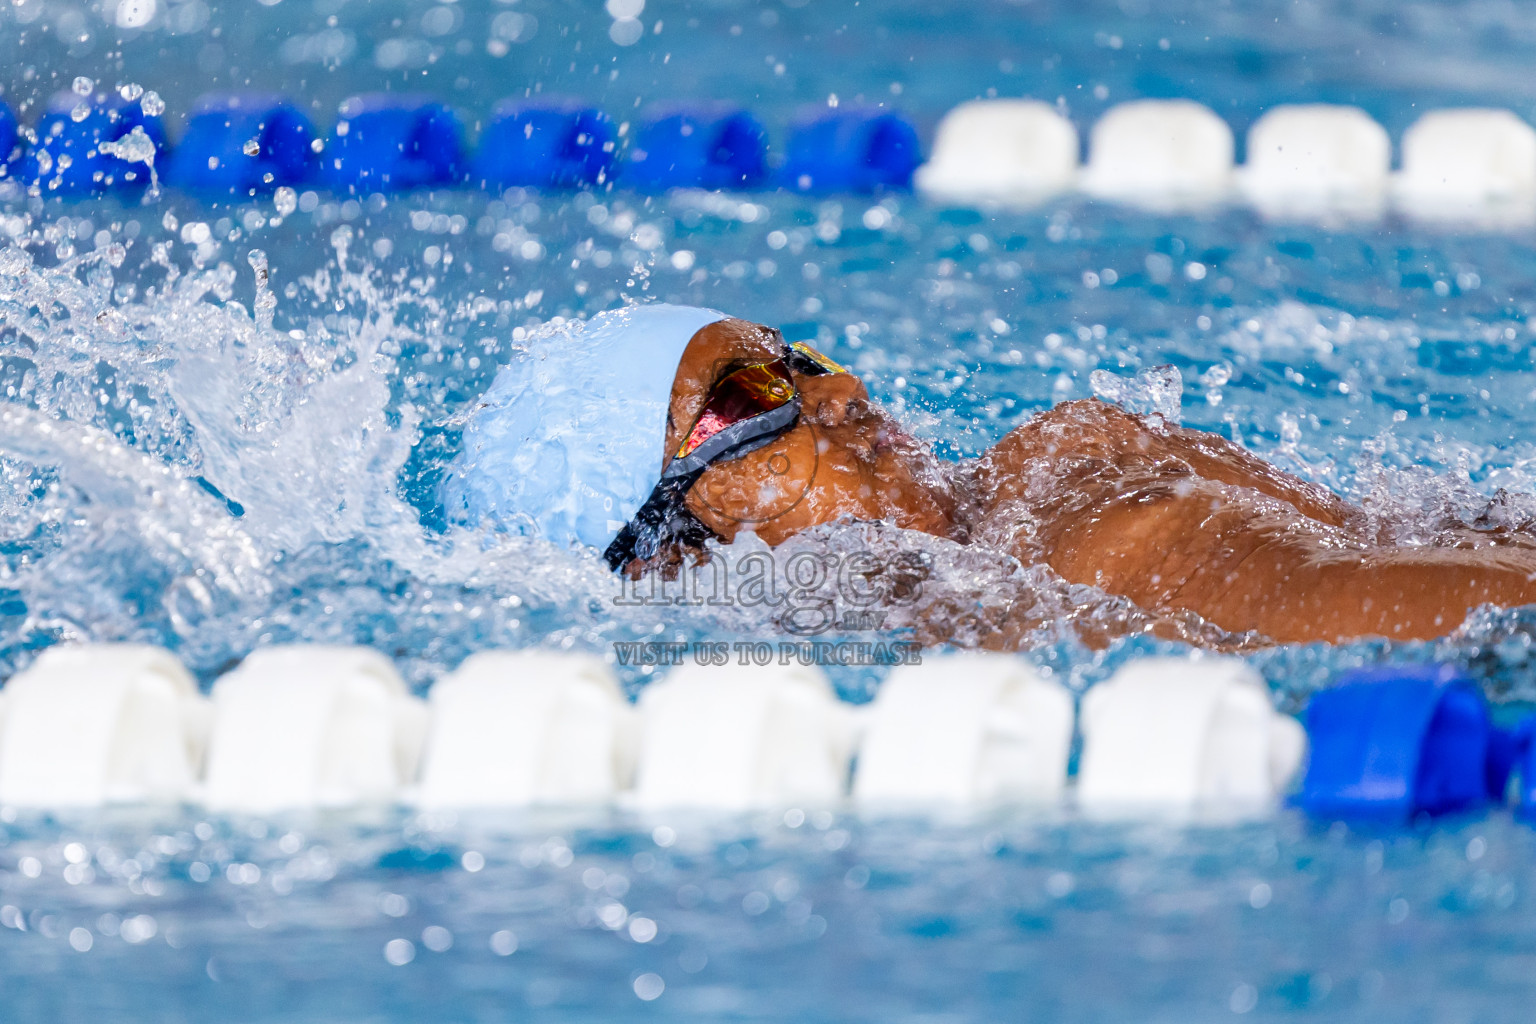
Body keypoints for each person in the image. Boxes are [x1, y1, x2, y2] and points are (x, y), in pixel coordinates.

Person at [442, 304, 1536, 647]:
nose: (839, 390)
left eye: (797, 355)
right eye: (743, 398)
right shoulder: (1011, 582)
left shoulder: (1068, 446)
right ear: (673, 552)